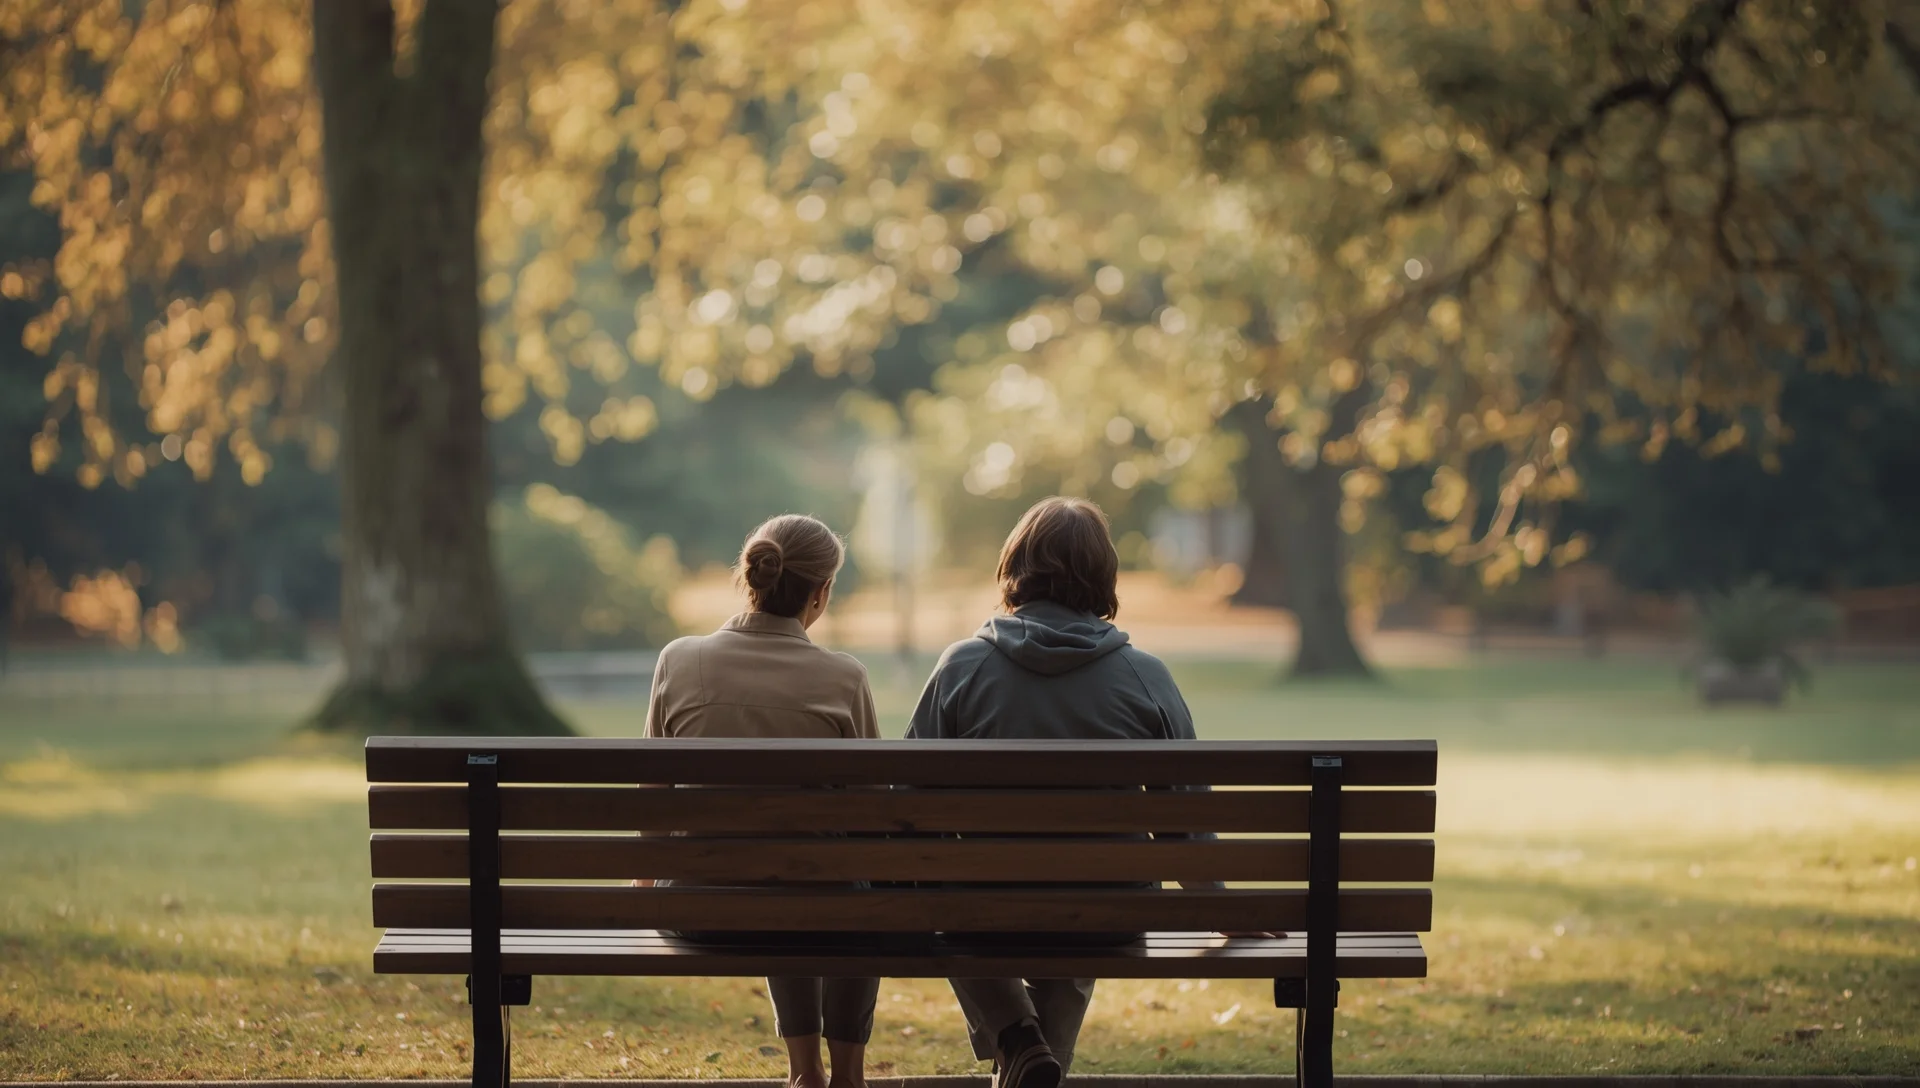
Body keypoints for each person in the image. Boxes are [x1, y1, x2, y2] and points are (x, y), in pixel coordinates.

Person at [907, 497, 1269, 1088]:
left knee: (946, 888)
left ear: (1015, 567)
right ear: (1104, 577)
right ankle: (1029, 1052)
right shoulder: (1144, 675)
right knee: (1089, 881)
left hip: (982, 914)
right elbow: (1187, 817)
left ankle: (1019, 1039)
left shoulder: (961, 667)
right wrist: (1222, 906)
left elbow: (906, 800)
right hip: (1107, 914)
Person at [645, 514, 879, 1088]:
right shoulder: (844, 678)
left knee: (784, 877)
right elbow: (873, 812)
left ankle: (804, 1072)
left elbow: (652, 800)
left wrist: (644, 880)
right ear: (820, 594)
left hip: (699, 910)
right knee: (837, 881)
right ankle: (847, 1074)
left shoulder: (679, 659)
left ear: (747, 577)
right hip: (821, 911)